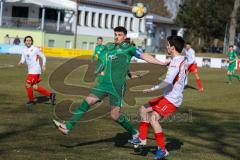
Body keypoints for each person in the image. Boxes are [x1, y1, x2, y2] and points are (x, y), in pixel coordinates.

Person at [53, 26, 167, 139]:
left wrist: (161, 63)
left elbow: (144, 56)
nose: (117, 37)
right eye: (115, 34)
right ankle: (68, 126)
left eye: (119, 35)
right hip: (104, 84)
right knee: (87, 102)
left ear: (125, 36)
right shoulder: (109, 48)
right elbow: (106, 62)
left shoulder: (129, 48)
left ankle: (134, 133)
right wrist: (100, 70)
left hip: (117, 87)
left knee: (115, 115)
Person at [129, 36, 187, 159]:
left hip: (172, 99)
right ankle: (142, 139)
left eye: (168, 45)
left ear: (172, 47)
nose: (166, 47)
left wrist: (152, 89)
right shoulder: (181, 59)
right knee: (143, 109)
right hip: (169, 95)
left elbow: (167, 82)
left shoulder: (175, 62)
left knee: (153, 119)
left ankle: (162, 149)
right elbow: (182, 79)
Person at [18, 36, 56, 106]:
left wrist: (43, 65)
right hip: (30, 71)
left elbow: (43, 57)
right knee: (35, 87)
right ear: (25, 42)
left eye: (30, 40)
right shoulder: (23, 50)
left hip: (35, 70)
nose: (28, 42)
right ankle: (51, 95)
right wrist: (21, 62)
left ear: (32, 42)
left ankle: (31, 101)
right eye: (27, 40)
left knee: (28, 85)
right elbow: (23, 59)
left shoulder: (35, 49)